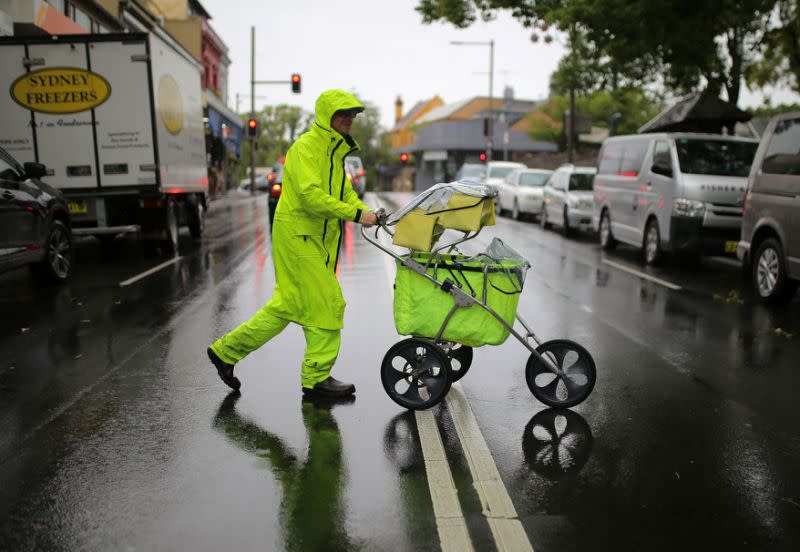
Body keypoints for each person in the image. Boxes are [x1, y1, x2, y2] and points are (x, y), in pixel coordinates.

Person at [207, 89, 378, 398]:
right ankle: (316, 378)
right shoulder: (306, 149)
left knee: (287, 306)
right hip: (298, 236)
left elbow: (344, 192)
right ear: (327, 116)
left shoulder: (334, 153)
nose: (349, 120)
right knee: (326, 302)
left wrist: (366, 211)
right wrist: (355, 214)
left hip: (313, 238)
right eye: (343, 114)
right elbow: (311, 197)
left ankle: (225, 352)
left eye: (352, 115)